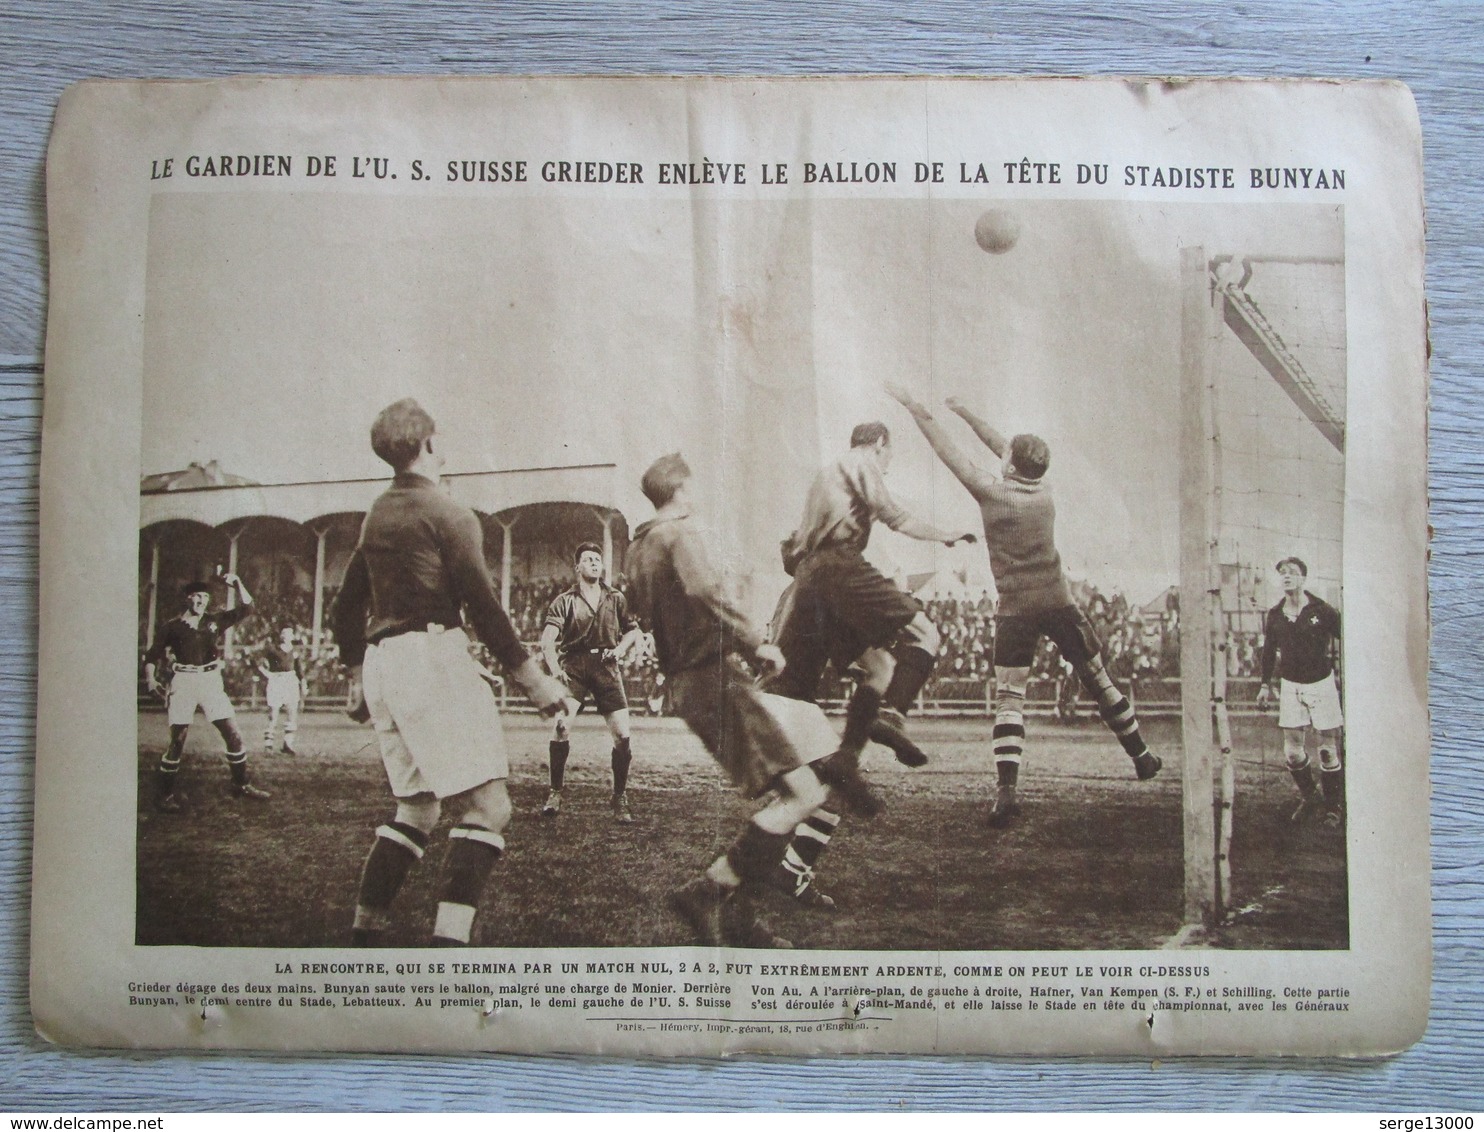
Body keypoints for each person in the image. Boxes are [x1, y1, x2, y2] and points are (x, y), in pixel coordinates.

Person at [331, 398, 571, 947]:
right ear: (431, 445)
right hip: (430, 657)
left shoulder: (377, 514)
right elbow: (482, 606)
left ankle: (365, 937)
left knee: (417, 808)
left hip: (384, 665)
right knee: (489, 808)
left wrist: (352, 675)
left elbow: (345, 608)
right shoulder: (449, 513)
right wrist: (532, 679)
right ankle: (448, 952)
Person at [884, 385, 1161, 828]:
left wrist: (916, 407)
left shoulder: (993, 494)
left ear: (1012, 465)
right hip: (1059, 601)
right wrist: (969, 411)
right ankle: (1142, 757)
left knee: (1011, 697)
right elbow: (1006, 447)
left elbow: (948, 451)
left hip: (1015, 609)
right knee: (1098, 679)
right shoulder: (1044, 490)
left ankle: (1006, 793)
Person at [626, 453, 859, 948]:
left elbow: (660, 611)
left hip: (687, 686)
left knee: (785, 793)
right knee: (805, 795)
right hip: (713, 679)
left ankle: (740, 923)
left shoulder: (638, 545)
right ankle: (706, 891)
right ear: (681, 487)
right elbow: (706, 593)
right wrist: (758, 642)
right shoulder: (678, 535)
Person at [770, 420, 976, 797]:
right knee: (926, 633)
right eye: (889, 453)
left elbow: (796, 546)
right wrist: (945, 535)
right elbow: (896, 517)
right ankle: (891, 716)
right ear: (880, 443)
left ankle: (847, 757)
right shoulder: (859, 463)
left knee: (879, 667)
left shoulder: (824, 476)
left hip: (812, 577)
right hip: (841, 566)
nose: (888, 462)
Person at [143, 574, 271, 812]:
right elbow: (152, 655)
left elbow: (248, 607)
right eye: (197, 596)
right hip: (184, 681)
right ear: (187, 598)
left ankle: (240, 784)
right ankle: (165, 795)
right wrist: (150, 679)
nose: (202, 601)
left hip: (211, 680)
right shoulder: (172, 627)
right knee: (177, 741)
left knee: (232, 733)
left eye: (205, 597)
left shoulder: (214, 621)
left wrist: (237, 583)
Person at [538, 542, 646, 823]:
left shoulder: (616, 598)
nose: (595, 563)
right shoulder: (564, 601)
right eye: (588, 559)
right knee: (561, 726)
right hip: (573, 667)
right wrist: (554, 670)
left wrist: (620, 650)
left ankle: (619, 796)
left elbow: (633, 633)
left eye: (598, 559)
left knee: (622, 736)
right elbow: (547, 641)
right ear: (578, 567)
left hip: (607, 668)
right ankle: (555, 791)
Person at [1256, 557, 1344, 826]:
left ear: (1303, 578)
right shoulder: (1275, 615)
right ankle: (1310, 797)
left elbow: (1348, 638)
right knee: (1292, 753)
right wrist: (1264, 685)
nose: (1286, 576)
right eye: (1282, 572)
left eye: (1292, 572)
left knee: (1327, 751)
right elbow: (1269, 652)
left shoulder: (1323, 610)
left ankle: (1333, 807)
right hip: (1291, 685)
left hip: (1321, 682)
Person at [258, 625, 304, 754]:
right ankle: (268, 744)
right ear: (280, 636)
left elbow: (299, 670)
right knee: (273, 713)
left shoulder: (295, 651)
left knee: (292, 712)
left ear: (292, 636)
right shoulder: (272, 649)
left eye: (288, 633)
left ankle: (287, 744)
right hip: (276, 681)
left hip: (290, 681)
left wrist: (303, 684)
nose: (285, 635)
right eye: (283, 633)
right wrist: (268, 674)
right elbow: (258, 663)